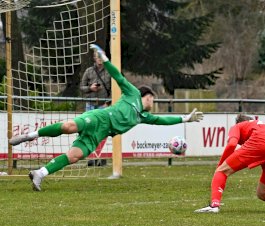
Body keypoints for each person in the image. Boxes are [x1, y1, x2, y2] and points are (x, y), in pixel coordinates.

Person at [9, 44, 204, 191]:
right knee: (69, 127)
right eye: (152, 98)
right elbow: (117, 77)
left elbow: (163, 121)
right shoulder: (132, 93)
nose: (153, 101)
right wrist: (106, 60)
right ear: (147, 96)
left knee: (75, 156)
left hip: (101, 132)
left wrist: (185, 119)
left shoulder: (143, 116)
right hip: (99, 117)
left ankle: (39, 174)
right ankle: (30, 135)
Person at [194, 114, 265, 213]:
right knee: (262, 193)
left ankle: (214, 206)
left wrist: (220, 166)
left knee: (222, 171)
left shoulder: (238, 126)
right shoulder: (262, 127)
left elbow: (231, 145)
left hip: (261, 143)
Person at [80, 51, 112, 166]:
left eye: (101, 57)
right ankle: (91, 157)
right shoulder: (89, 71)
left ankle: (101, 157)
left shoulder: (109, 71)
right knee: (90, 130)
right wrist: (90, 88)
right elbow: (82, 87)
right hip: (91, 104)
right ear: (94, 58)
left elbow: (115, 88)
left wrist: (108, 103)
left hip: (104, 105)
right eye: (97, 57)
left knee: (102, 130)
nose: (99, 59)